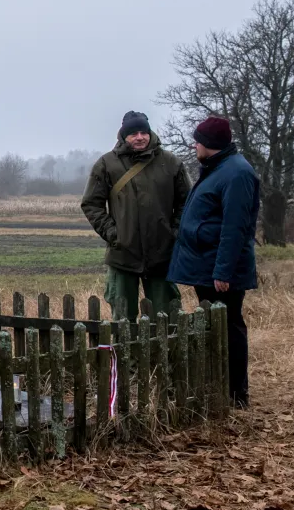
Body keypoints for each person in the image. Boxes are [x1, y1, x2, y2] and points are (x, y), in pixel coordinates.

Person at [168, 115, 259, 407]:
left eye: (198, 140)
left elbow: (235, 229)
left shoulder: (236, 174)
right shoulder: (218, 168)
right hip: (206, 265)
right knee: (214, 325)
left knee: (229, 327)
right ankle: (219, 385)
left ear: (210, 144)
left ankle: (236, 395)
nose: (194, 144)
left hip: (219, 270)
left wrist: (223, 271)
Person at [80, 111, 190, 323]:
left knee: (166, 319)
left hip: (162, 254)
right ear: (123, 136)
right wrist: (114, 234)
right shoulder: (106, 164)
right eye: (133, 133)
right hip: (123, 254)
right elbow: (91, 203)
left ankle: (163, 356)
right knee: (123, 321)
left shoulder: (171, 163)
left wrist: (174, 233)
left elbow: (187, 202)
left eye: (143, 132)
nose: (140, 137)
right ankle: (124, 356)